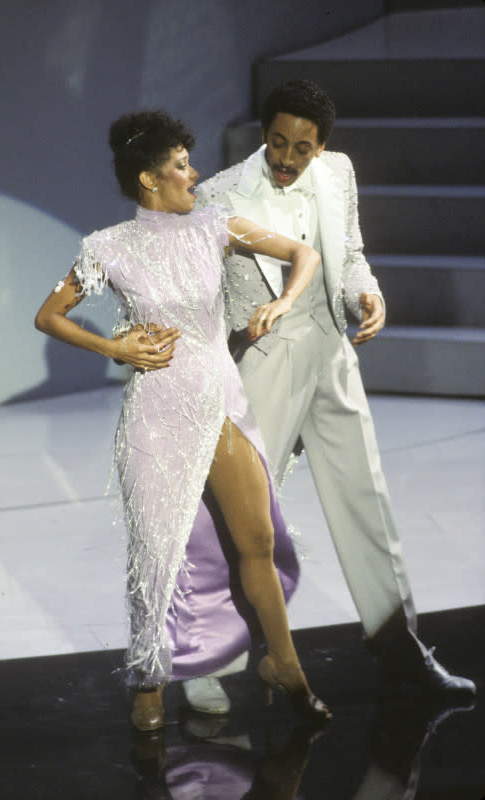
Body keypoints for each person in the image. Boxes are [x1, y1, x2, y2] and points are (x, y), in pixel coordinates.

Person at [181, 79, 476, 713]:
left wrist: (369, 296)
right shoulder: (218, 194)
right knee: (243, 519)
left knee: (366, 500)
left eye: (303, 147)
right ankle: (209, 661)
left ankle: (401, 650)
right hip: (263, 366)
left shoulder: (338, 174)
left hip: (333, 355)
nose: (288, 157)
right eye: (279, 142)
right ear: (264, 134)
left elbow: (354, 255)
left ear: (323, 146)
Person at [34, 110, 330, 732]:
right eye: (180, 164)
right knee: (156, 555)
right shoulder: (105, 247)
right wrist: (115, 348)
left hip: (220, 402)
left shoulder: (213, 227)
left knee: (257, 543)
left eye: (189, 162)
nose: (193, 173)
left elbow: (301, 252)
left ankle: (285, 665)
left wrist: (281, 301)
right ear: (149, 177)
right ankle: (149, 684)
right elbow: (50, 316)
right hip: (155, 413)